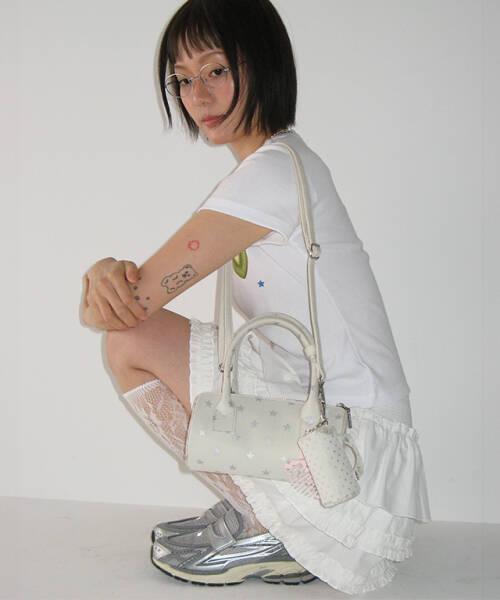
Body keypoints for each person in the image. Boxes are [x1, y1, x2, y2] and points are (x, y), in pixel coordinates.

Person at [80, 0, 432, 593]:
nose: (197, 95)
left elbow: (128, 310)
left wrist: (104, 277)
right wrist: (101, 278)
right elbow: (113, 302)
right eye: (182, 79)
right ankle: (261, 511)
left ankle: (278, 526)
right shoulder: (279, 166)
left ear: (263, 63)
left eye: (215, 70)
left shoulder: (270, 176)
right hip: (336, 431)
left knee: (130, 340)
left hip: (347, 462)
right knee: (137, 334)